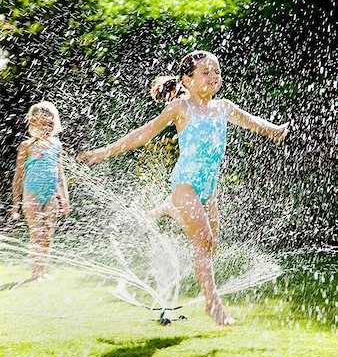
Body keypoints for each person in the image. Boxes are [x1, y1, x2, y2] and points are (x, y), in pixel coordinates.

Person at [77, 50, 289, 325]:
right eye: (205, 72)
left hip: (207, 188)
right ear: (186, 80)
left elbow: (252, 122)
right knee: (204, 240)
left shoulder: (223, 107)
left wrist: (273, 130)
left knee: (213, 244)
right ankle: (214, 307)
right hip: (185, 185)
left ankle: (170, 208)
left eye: (216, 71)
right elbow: (144, 133)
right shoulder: (181, 108)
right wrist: (104, 152)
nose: (214, 76)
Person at [11, 101, 70, 280]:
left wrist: (65, 199)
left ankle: (42, 271)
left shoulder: (56, 145)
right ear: (33, 124)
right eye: (42, 124)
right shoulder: (26, 146)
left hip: (50, 196)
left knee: (48, 235)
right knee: (38, 233)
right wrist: (15, 203)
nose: (46, 128)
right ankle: (35, 273)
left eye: (50, 124)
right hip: (32, 195)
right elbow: (18, 175)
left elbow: (60, 175)